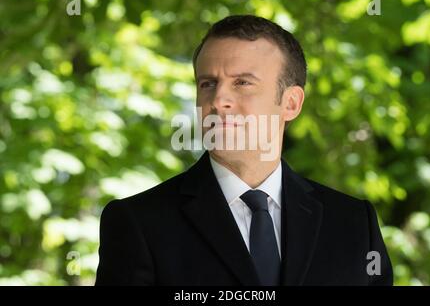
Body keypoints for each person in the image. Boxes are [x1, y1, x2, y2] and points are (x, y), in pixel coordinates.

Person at [95, 15, 393, 286]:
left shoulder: (353, 224)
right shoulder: (139, 224)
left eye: (242, 83)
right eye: (208, 83)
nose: (219, 99)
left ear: (290, 103)